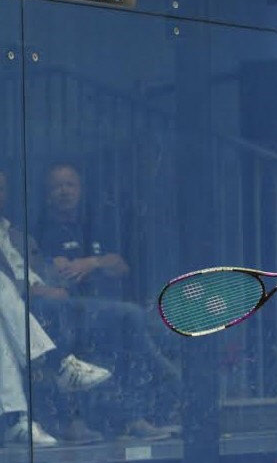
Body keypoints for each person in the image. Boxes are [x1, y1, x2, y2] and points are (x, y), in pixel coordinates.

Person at [33, 162, 177, 442]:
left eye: (70, 184)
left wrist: (92, 263)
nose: (64, 191)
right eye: (57, 186)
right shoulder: (38, 229)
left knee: (139, 333)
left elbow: (121, 266)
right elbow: (30, 275)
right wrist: (50, 268)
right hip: (61, 316)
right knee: (132, 323)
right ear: (47, 194)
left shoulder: (94, 225)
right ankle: (121, 419)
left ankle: (139, 417)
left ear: (81, 189)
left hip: (102, 312)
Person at [0, 169, 111, 446]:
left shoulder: (14, 234)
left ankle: (19, 420)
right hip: (30, 305)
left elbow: (39, 272)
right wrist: (39, 290)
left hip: (27, 310)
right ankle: (58, 366)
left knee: (124, 316)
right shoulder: (41, 227)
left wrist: (55, 272)